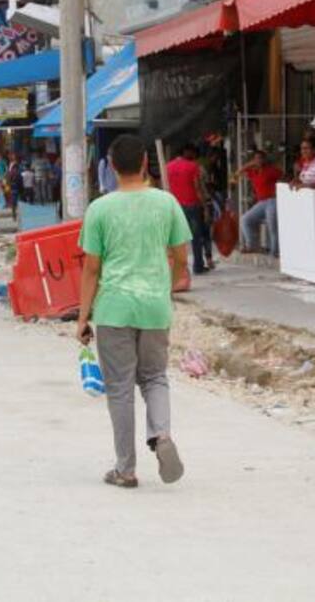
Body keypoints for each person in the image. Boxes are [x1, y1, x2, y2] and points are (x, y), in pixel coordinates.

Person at [76, 134, 192, 489]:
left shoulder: (99, 209)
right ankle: (161, 434)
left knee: (121, 388)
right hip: (154, 307)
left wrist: (83, 317)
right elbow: (181, 259)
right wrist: (163, 289)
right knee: (155, 378)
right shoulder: (167, 203)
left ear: (111, 167)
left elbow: (92, 269)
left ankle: (125, 469)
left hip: (114, 309)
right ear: (145, 163)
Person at [166, 144, 211, 275]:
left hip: (174, 206)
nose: (194, 155)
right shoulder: (192, 166)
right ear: (186, 151)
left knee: (175, 239)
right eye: (192, 152)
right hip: (192, 205)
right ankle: (198, 266)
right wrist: (205, 206)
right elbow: (197, 187)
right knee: (196, 236)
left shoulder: (168, 167)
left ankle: (176, 269)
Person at [236, 150, 283, 256]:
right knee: (245, 219)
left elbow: (283, 175)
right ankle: (251, 246)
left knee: (272, 226)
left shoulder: (270, 170)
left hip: (272, 200)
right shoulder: (253, 172)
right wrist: (251, 164)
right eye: (256, 158)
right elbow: (238, 172)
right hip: (261, 202)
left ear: (264, 159)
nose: (258, 160)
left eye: (260, 158)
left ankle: (274, 252)